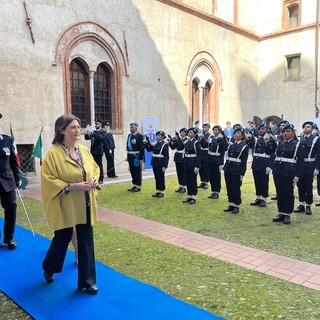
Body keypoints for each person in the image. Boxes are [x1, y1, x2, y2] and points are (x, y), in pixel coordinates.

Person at [41, 114, 100, 295]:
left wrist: (93, 180)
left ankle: (87, 282)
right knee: (62, 238)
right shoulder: (53, 153)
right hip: (65, 203)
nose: (77, 130)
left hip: (85, 203)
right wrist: (73, 186)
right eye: (73, 127)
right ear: (62, 130)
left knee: (86, 241)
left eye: (78, 127)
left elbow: (95, 168)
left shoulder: (84, 150)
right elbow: (48, 179)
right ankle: (50, 267)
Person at [272, 123, 304, 225]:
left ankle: (287, 214)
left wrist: (297, 175)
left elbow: (301, 162)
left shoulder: (297, 144)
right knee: (280, 192)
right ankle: (281, 212)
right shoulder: (280, 144)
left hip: (289, 173)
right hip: (278, 172)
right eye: (284, 132)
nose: (285, 133)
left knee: (288, 193)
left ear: (293, 132)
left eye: (288, 131)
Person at [293, 121, 320, 215]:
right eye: (304, 126)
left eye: (308, 127)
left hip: (309, 165)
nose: (305, 128)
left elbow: (319, 154)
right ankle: (301, 204)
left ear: (312, 129)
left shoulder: (316, 139)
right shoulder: (300, 139)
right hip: (299, 165)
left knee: (308, 186)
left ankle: (308, 205)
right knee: (300, 185)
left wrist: (317, 168)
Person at [0, 125, 20, 250]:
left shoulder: (7, 140)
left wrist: (17, 179)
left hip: (8, 181)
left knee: (11, 209)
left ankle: (9, 238)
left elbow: (14, 161)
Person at [248, 123, 277, 207]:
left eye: (263, 129)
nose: (261, 130)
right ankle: (258, 197)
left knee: (264, 182)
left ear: (267, 130)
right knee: (257, 181)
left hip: (264, 164)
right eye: (260, 129)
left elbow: (273, 154)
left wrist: (270, 166)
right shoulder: (257, 139)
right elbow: (250, 145)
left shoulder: (271, 140)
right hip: (256, 163)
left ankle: (264, 198)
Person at [223, 127, 249, 214]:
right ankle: (231, 203)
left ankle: (236, 205)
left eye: (238, 133)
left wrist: (242, 173)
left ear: (242, 136)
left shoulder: (244, 146)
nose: (236, 135)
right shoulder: (231, 145)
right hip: (228, 168)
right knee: (229, 187)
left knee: (235, 187)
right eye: (235, 133)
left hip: (237, 169)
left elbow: (244, 161)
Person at [144, 130, 169, 198]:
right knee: (156, 177)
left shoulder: (165, 144)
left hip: (160, 162)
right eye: (157, 135)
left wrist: (165, 166)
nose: (157, 137)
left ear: (163, 137)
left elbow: (166, 156)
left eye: (159, 135)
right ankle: (158, 190)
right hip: (155, 162)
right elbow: (150, 149)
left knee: (161, 177)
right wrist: (146, 143)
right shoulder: (156, 143)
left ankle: (161, 191)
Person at [207, 125, 228, 199]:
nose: (215, 131)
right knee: (211, 176)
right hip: (210, 159)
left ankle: (216, 192)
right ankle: (213, 191)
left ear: (219, 131)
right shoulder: (211, 137)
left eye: (216, 130)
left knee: (216, 176)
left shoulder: (222, 139)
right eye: (214, 130)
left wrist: (221, 163)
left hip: (217, 160)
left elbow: (223, 150)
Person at [182, 127, 201, 204]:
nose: (189, 134)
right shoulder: (186, 142)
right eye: (189, 132)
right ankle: (189, 196)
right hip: (187, 162)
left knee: (193, 180)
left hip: (193, 163)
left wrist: (197, 166)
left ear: (195, 134)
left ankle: (194, 196)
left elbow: (199, 155)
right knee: (188, 180)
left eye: (191, 132)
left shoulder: (196, 143)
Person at [85, 118, 106, 184]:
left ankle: (101, 178)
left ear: (100, 124)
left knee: (99, 165)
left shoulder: (103, 132)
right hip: (93, 151)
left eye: (97, 124)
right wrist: (87, 132)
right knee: (93, 165)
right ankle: (94, 177)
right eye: (95, 124)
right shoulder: (94, 132)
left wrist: (93, 133)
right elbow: (86, 138)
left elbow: (100, 137)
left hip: (99, 151)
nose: (96, 125)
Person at [168, 128, 188, 193]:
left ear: (186, 133)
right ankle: (181, 185)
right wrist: (170, 141)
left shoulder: (187, 139)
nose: (181, 133)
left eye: (183, 132)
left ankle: (184, 186)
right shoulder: (179, 139)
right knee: (179, 172)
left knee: (183, 172)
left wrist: (178, 138)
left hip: (183, 157)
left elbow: (182, 146)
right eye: (180, 132)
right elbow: (173, 147)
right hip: (178, 157)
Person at [126, 122, 144, 192]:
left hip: (136, 156)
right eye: (130, 127)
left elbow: (142, 148)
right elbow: (127, 145)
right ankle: (134, 184)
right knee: (132, 171)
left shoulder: (139, 136)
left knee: (137, 171)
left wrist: (140, 158)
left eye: (132, 127)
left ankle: (138, 186)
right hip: (130, 155)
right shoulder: (129, 135)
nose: (130, 129)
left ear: (136, 128)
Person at [198, 123, 211, 189]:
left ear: (208, 128)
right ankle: (202, 181)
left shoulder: (210, 135)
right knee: (201, 168)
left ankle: (206, 182)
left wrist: (203, 138)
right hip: (201, 152)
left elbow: (208, 144)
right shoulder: (200, 134)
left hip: (206, 152)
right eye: (203, 127)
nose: (204, 128)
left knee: (205, 168)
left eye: (205, 127)